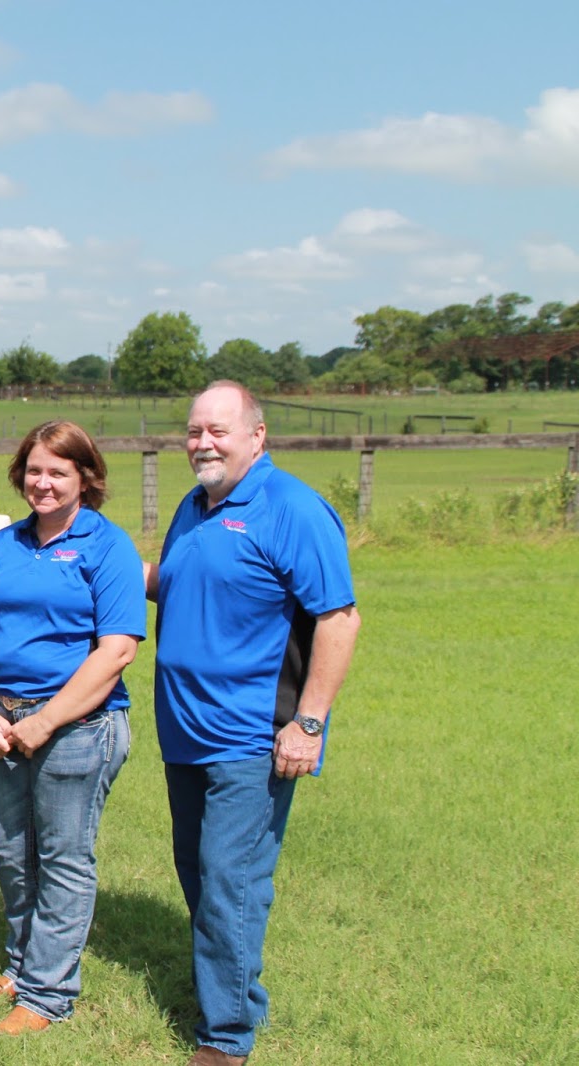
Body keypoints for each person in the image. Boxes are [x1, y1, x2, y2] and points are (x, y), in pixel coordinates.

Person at [150, 381, 361, 1066]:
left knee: (229, 878)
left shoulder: (292, 509)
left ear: (257, 437)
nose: (202, 443)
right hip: (183, 731)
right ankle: (228, 991)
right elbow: (175, 581)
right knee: (198, 872)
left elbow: (338, 617)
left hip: (250, 736)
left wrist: (310, 722)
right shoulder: (195, 505)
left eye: (217, 430)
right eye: (193, 431)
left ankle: (226, 1037)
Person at [0, 421, 146, 1036]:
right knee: (11, 851)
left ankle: (47, 996)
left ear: (85, 479)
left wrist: (44, 721)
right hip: (3, 720)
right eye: (35, 470)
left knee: (64, 858)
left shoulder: (106, 545)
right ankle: (21, 968)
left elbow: (117, 649)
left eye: (58, 472)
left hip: (78, 726)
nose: (43, 483)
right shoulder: (6, 543)